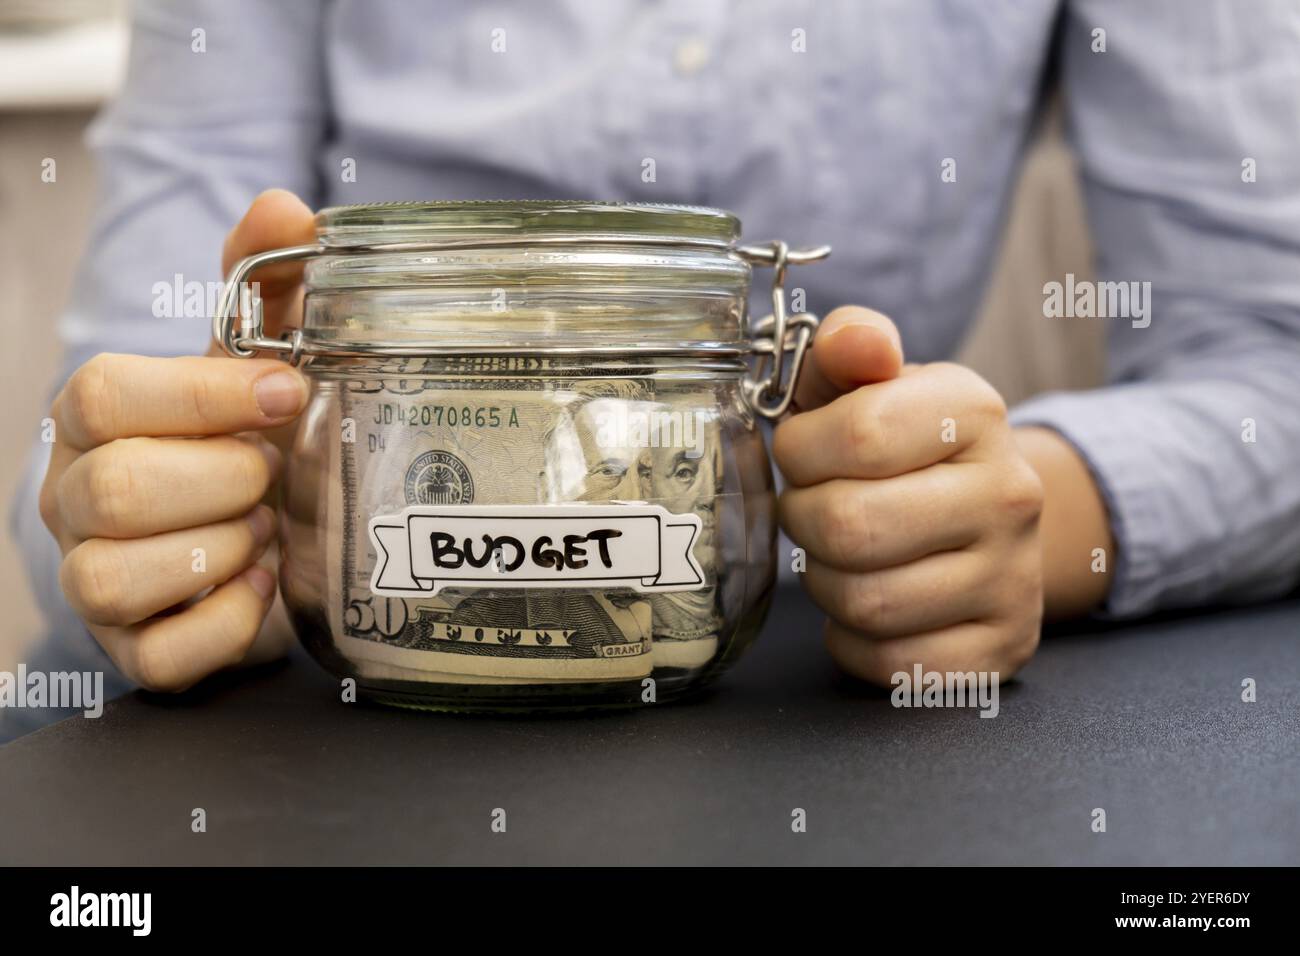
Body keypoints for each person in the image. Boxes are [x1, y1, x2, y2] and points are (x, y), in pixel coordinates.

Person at [9, 0, 1300, 737]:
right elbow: (110, 400)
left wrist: (1012, 513)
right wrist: (157, 508)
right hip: (302, 672)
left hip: (822, 685)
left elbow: (1271, 363)